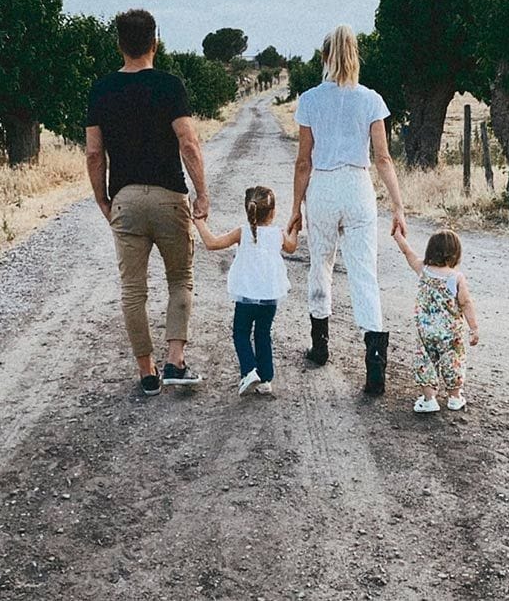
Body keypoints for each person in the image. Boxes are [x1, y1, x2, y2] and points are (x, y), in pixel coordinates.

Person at [85, 8, 208, 396]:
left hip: (126, 199)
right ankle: (175, 361)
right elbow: (188, 142)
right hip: (170, 196)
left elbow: (93, 154)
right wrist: (201, 191)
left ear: (119, 44)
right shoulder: (170, 86)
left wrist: (103, 199)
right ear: (155, 42)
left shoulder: (100, 90)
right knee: (180, 280)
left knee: (133, 290)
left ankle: (147, 373)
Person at [287, 24, 407, 395]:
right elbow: (383, 158)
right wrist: (399, 207)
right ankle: (374, 366)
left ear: (324, 57)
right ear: (355, 56)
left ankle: (320, 346)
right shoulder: (371, 99)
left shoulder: (309, 100)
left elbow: (303, 162)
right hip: (358, 186)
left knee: (320, 264)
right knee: (363, 273)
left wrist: (295, 208)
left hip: (322, 186)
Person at [194, 186, 298, 396]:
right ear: (273, 212)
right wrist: (294, 227)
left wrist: (199, 222)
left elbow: (212, 243)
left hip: (246, 297)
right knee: (263, 334)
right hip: (269, 297)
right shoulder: (278, 234)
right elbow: (292, 246)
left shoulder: (242, 232)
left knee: (240, 333)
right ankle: (265, 379)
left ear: (248, 210)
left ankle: (249, 370)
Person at [392, 227, 479, 412]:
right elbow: (466, 303)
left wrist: (398, 236)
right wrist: (473, 328)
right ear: (456, 253)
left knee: (425, 361)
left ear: (430, 251)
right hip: (450, 333)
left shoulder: (424, 270)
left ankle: (429, 399)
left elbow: (408, 252)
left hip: (426, 331)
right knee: (453, 361)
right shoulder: (456, 278)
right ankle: (455, 397)